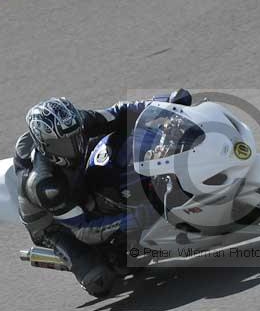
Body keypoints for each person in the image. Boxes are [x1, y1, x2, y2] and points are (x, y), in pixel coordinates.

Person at [13, 89, 192, 297]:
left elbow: (119, 113)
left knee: (119, 155)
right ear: (46, 146)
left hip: (76, 179)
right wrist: (136, 218)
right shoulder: (45, 185)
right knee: (100, 280)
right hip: (54, 222)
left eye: (77, 136)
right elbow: (84, 229)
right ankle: (81, 256)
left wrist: (162, 106)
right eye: (65, 144)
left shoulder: (75, 123)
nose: (76, 145)